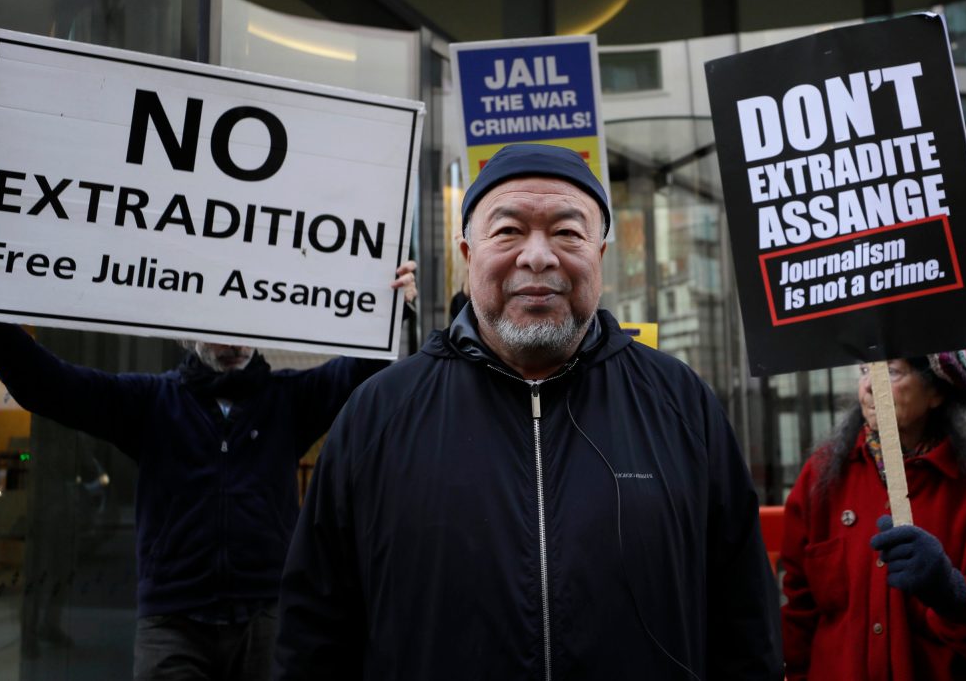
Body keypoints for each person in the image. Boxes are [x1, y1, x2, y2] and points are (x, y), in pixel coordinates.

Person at [272, 143, 782, 680]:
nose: (538, 256)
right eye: (509, 230)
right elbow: (314, 633)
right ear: (468, 256)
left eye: (567, 232)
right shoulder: (379, 412)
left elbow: (744, 622)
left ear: (600, 256)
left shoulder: (681, 403)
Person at [0, 260, 417, 681]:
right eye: (217, 323)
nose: (232, 338)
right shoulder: (152, 403)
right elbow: (53, 387)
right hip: (173, 624)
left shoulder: (287, 400)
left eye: (242, 322)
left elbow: (363, 371)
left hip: (266, 617)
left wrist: (395, 308)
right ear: (186, 331)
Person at [781, 352, 966, 680]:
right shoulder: (821, 476)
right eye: (865, 370)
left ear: (937, 392)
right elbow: (798, 607)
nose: (868, 386)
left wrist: (951, 591)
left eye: (891, 371)